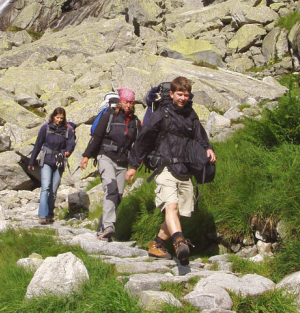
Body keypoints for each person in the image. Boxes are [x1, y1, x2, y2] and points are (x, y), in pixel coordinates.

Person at [126, 76, 216, 265]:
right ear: (171, 94)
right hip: (164, 167)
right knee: (171, 206)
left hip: (185, 169)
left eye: (186, 95)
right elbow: (144, 139)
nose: (183, 98)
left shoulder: (191, 115)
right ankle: (179, 243)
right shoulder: (161, 114)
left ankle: (157, 245)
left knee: (178, 211)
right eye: (179, 94)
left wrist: (208, 148)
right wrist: (133, 165)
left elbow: (200, 135)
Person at [80, 88, 141, 240]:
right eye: (126, 102)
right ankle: (109, 226)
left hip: (123, 162)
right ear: (120, 102)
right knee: (111, 188)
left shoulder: (135, 122)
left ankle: (103, 229)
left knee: (117, 197)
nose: (128, 105)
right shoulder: (109, 116)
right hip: (105, 157)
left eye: (131, 102)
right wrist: (86, 156)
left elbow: (139, 146)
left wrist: (134, 165)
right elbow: (97, 136)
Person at [28, 107, 76, 224]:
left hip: (59, 162)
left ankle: (49, 214)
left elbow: (71, 143)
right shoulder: (46, 128)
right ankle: (42, 216)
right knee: (45, 187)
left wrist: (68, 151)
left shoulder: (67, 130)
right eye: (57, 117)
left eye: (61, 118)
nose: (59, 120)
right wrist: (31, 161)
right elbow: (38, 144)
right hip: (46, 160)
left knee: (54, 190)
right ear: (53, 116)